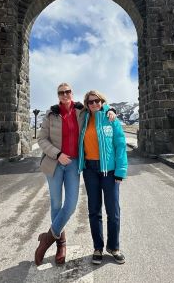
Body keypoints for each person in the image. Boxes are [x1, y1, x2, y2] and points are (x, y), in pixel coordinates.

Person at [35, 83, 116, 266]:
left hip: (72, 164)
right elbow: (42, 139)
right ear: (58, 95)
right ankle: (60, 245)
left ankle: (47, 239)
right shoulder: (50, 114)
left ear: (72, 93)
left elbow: (98, 105)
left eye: (68, 91)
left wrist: (112, 109)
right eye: (61, 93)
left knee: (70, 205)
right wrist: (57, 154)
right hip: (54, 163)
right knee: (56, 205)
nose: (65, 95)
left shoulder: (81, 111)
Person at [78, 90, 128, 265]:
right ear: (87, 104)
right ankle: (97, 247)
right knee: (94, 210)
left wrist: (121, 171)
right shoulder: (84, 119)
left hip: (110, 170)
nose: (94, 104)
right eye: (90, 102)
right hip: (90, 169)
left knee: (113, 211)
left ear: (102, 101)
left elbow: (120, 144)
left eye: (97, 101)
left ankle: (113, 247)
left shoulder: (111, 118)